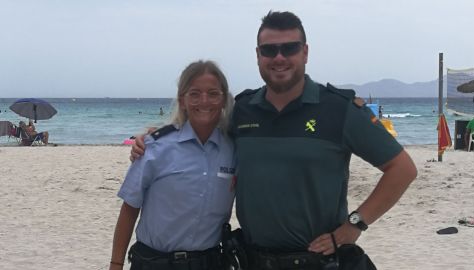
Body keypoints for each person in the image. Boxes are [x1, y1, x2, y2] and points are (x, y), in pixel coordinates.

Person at [131, 11, 417, 270]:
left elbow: (402, 169)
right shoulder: (241, 110)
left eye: (289, 48)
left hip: (317, 262)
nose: (279, 58)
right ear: (258, 55)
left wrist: (355, 224)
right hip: (252, 260)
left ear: (305, 53)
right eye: (269, 50)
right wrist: (153, 137)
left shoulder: (338, 109)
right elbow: (200, 126)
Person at [110, 60, 236, 270]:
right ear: (182, 100)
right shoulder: (154, 147)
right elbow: (129, 208)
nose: (204, 101)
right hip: (154, 263)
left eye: (213, 93)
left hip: (210, 263)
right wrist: (116, 264)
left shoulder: (234, 150)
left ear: (223, 100)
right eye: (194, 93)